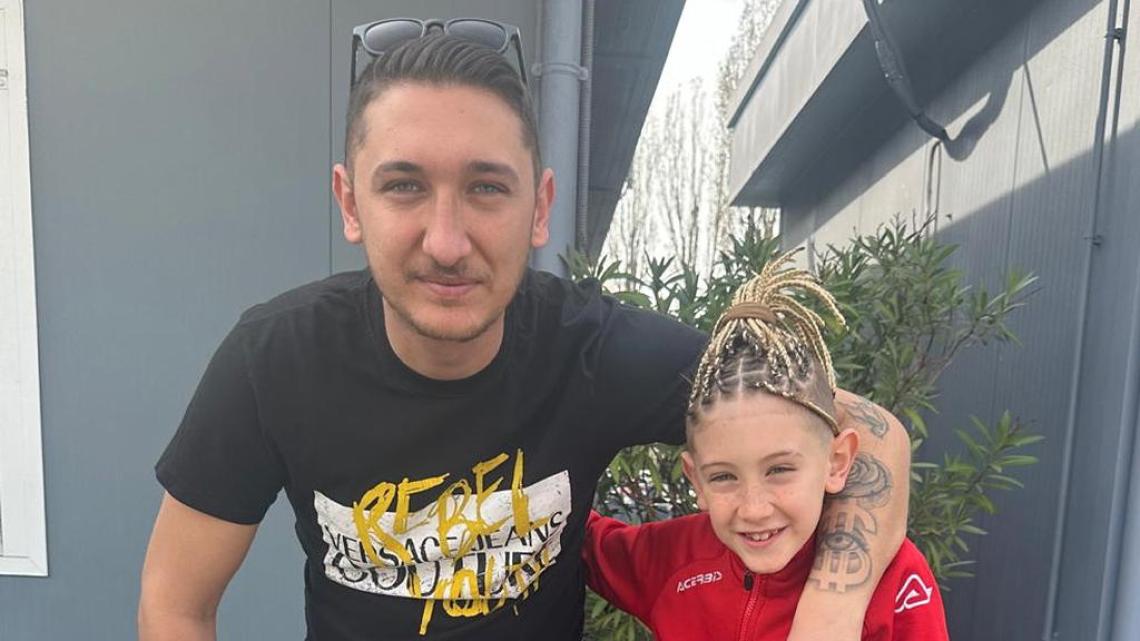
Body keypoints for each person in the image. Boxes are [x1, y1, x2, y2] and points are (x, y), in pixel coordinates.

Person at [138, 22, 912, 641]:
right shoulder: (274, 361)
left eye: (486, 187)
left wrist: (829, 611)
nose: (447, 240)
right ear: (350, 203)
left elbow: (869, 433)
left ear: (539, 207)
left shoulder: (596, 353)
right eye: (404, 186)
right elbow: (175, 603)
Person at [582, 254, 948, 640]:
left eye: (780, 470)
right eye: (723, 477)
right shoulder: (671, 558)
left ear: (837, 462)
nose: (754, 509)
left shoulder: (894, 580)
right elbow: (576, 534)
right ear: (696, 479)